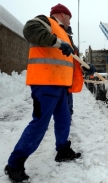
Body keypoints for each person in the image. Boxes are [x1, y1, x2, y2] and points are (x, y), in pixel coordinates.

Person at [4, 4, 96, 183]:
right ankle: (14, 164)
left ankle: (62, 150)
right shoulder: (46, 22)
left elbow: (74, 56)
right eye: (69, 18)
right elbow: (29, 30)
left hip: (62, 85)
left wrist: (87, 66)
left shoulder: (66, 37)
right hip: (45, 83)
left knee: (64, 119)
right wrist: (57, 42)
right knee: (40, 123)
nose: (70, 22)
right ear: (62, 14)